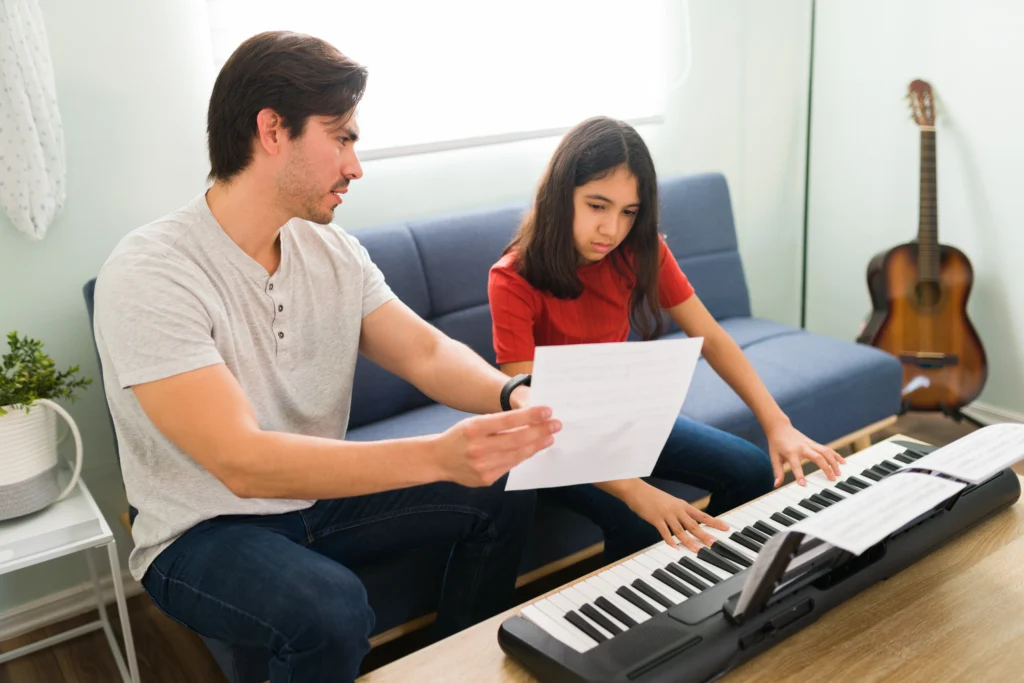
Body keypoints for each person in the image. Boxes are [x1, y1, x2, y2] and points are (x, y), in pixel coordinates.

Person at [92, 31, 560, 683]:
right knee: (331, 607)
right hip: (202, 531)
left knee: (501, 482)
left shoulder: (332, 252)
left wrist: (513, 397)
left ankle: (458, 666)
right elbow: (242, 462)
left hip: (313, 498)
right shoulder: (152, 271)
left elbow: (423, 349)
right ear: (272, 130)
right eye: (341, 137)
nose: (355, 165)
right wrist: (437, 454)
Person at [487, 116, 845, 563]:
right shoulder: (512, 279)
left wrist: (778, 423)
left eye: (628, 212)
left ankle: (706, 586)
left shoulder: (640, 251)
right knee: (639, 519)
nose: (612, 230)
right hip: (551, 435)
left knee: (750, 470)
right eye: (597, 206)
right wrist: (637, 493)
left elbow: (711, 337)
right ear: (562, 196)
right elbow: (532, 415)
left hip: (618, 414)